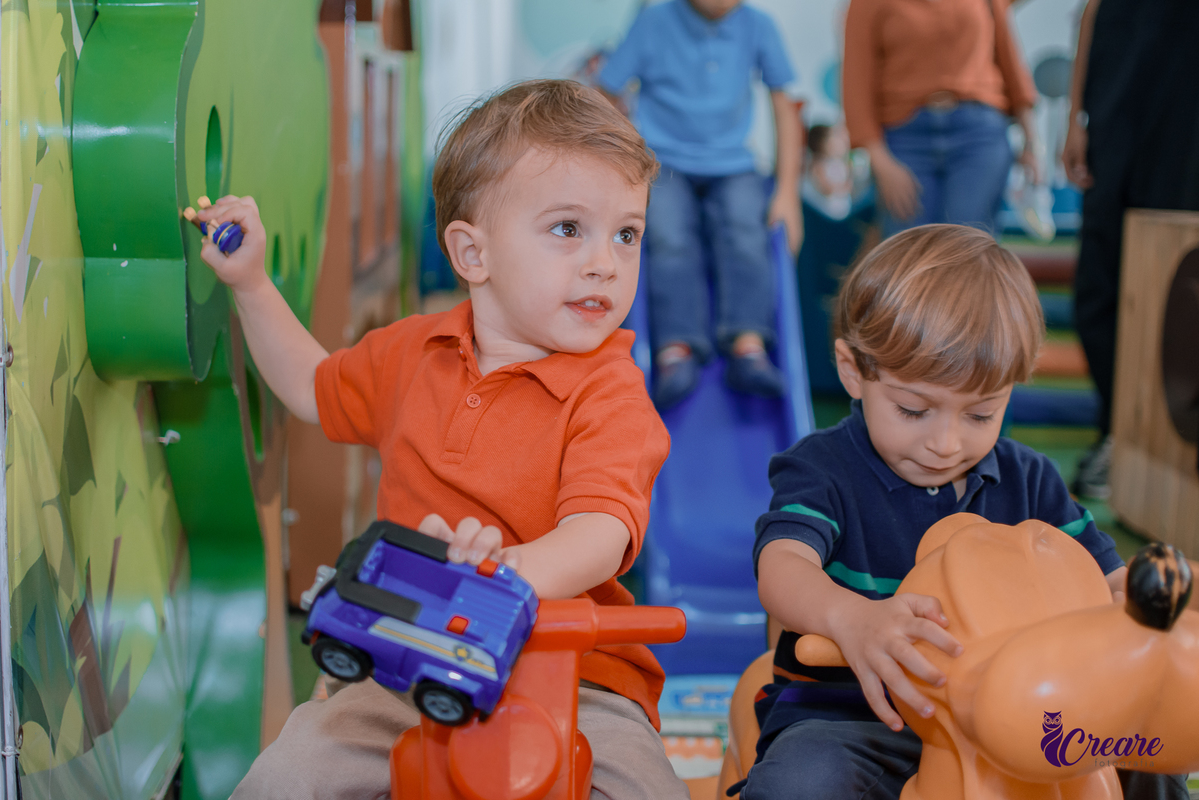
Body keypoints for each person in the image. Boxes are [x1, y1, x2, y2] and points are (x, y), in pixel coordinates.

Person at [197, 79, 690, 800]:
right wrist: (250, 286)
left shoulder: (608, 391)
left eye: (627, 233)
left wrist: (504, 577)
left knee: (648, 790)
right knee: (289, 774)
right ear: (472, 253)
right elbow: (308, 387)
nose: (604, 263)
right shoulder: (409, 353)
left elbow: (601, 531)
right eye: (567, 229)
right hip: (410, 659)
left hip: (576, 671)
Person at [739, 225, 1141, 800]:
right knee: (802, 781)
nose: (947, 444)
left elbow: (1108, 579)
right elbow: (782, 565)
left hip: (1008, 719)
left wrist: (1139, 610)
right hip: (856, 720)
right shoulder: (821, 469)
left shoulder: (1031, 481)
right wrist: (850, 618)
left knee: (1145, 746)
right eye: (913, 409)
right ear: (853, 371)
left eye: (980, 415)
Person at [598, 0, 803, 410]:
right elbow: (605, 92)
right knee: (668, 232)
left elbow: (785, 107)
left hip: (734, 163)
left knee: (747, 226)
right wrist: (620, 168)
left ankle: (748, 344)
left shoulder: (758, 26)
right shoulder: (654, 21)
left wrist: (787, 192)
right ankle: (676, 348)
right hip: (664, 160)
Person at [1062, 0, 1199, 501]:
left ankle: (1159, 446)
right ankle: (1117, 433)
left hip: (1185, 118)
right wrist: (1076, 117)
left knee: (1177, 293)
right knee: (1096, 292)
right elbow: (1092, 11)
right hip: (1116, 112)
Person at [842, 0, 1041, 238]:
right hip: (904, 140)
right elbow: (856, 83)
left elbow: (1011, 63)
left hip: (978, 134)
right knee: (907, 251)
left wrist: (1031, 143)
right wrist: (880, 162)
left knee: (967, 248)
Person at [802, 123, 854, 220]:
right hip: (831, 213)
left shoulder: (838, 161)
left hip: (844, 209)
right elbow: (826, 189)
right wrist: (841, 188)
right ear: (823, 144)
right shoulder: (819, 166)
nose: (838, 140)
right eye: (834, 137)